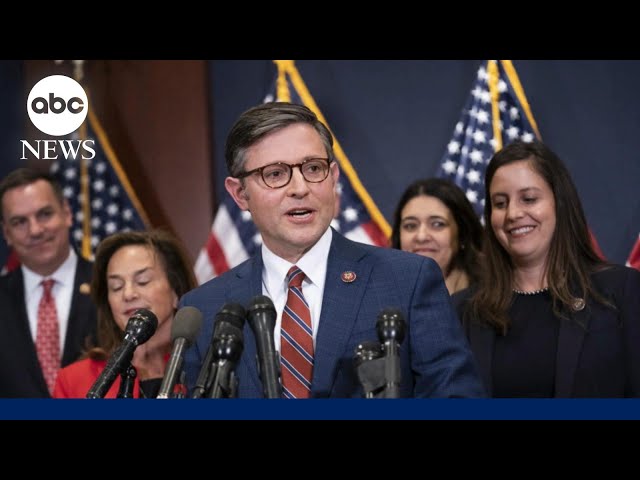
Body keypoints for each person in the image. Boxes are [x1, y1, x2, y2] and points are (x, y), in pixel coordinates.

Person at [181, 102, 485, 398]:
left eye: (314, 168)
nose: (300, 188)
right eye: (275, 174)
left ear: (334, 177)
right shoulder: (204, 310)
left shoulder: (407, 281)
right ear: (239, 194)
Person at [453, 140, 640, 397]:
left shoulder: (620, 291)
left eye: (529, 199)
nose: (513, 214)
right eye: (500, 203)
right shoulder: (462, 311)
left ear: (559, 203)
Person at [53, 229, 197, 398]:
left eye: (142, 281)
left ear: (176, 291)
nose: (128, 294)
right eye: (117, 287)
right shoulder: (74, 380)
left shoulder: (205, 366)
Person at [0, 168, 97, 398]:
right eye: (19, 222)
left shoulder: (110, 286)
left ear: (67, 213)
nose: (35, 230)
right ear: (6, 233)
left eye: (44, 214)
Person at [391, 178, 483, 294]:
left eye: (437, 224)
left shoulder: (491, 297)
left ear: (462, 235)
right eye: (410, 226)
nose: (421, 236)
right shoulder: (379, 296)